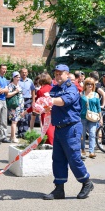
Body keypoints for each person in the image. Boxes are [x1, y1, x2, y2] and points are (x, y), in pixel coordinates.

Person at [43, 64, 94, 200]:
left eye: (60, 74)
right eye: (56, 74)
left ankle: (86, 182)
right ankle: (59, 189)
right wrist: (44, 107)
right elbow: (52, 105)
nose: (58, 76)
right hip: (59, 129)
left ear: (67, 74)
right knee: (58, 159)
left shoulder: (71, 88)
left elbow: (64, 101)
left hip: (71, 128)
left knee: (74, 158)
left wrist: (50, 100)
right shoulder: (54, 89)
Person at [23, 73, 55, 145]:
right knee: (52, 131)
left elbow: (36, 105)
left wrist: (25, 112)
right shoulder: (52, 88)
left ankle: (50, 147)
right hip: (54, 113)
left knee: (47, 132)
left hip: (46, 114)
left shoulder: (41, 91)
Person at [80, 77, 101, 159]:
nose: (90, 86)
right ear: (85, 85)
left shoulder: (96, 95)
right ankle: (83, 150)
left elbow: (98, 107)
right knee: (82, 135)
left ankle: (91, 151)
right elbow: (78, 106)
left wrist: (100, 117)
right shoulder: (81, 94)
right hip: (83, 116)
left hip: (93, 117)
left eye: (91, 84)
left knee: (92, 134)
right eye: (88, 84)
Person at [17, 68, 35, 138]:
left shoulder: (30, 81)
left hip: (27, 100)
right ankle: (19, 131)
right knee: (19, 115)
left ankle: (25, 132)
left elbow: (33, 91)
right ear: (20, 73)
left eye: (25, 72)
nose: (24, 74)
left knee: (27, 116)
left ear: (27, 73)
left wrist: (33, 100)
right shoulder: (18, 81)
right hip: (19, 100)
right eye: (23, 72)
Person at [7, 71, 24, 143]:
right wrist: (16, 91)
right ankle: (13, 137)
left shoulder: (19, 85)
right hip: (14, 106)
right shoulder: (10, 85)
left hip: (19, 106)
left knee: (16, 121)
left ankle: (11, 137)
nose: (18, 78)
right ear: (13, 77)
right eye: (17, 77)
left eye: (19, 77)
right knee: (14, 121)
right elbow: (7, 95)